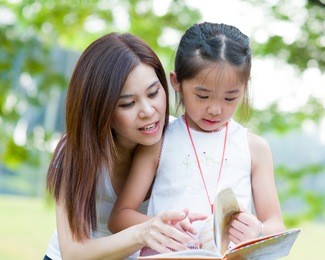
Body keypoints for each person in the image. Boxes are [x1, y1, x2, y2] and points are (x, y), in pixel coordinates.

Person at [109, 22, 286, 254]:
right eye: (202, 96)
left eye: (230, 98)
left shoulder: (255, 148)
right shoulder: (160, 141)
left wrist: (259, 231)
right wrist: (156, 225)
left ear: (245, 88)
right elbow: (119, 217)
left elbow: (276, 225)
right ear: (176, 83)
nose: (215, 109)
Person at [44, 32, 206, 260]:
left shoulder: (179, 139)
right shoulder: (76, 150)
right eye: (128, 103)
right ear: (101, 110)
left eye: (153, 93)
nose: (148, 112)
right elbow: (73, 252)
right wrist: (143, 233)